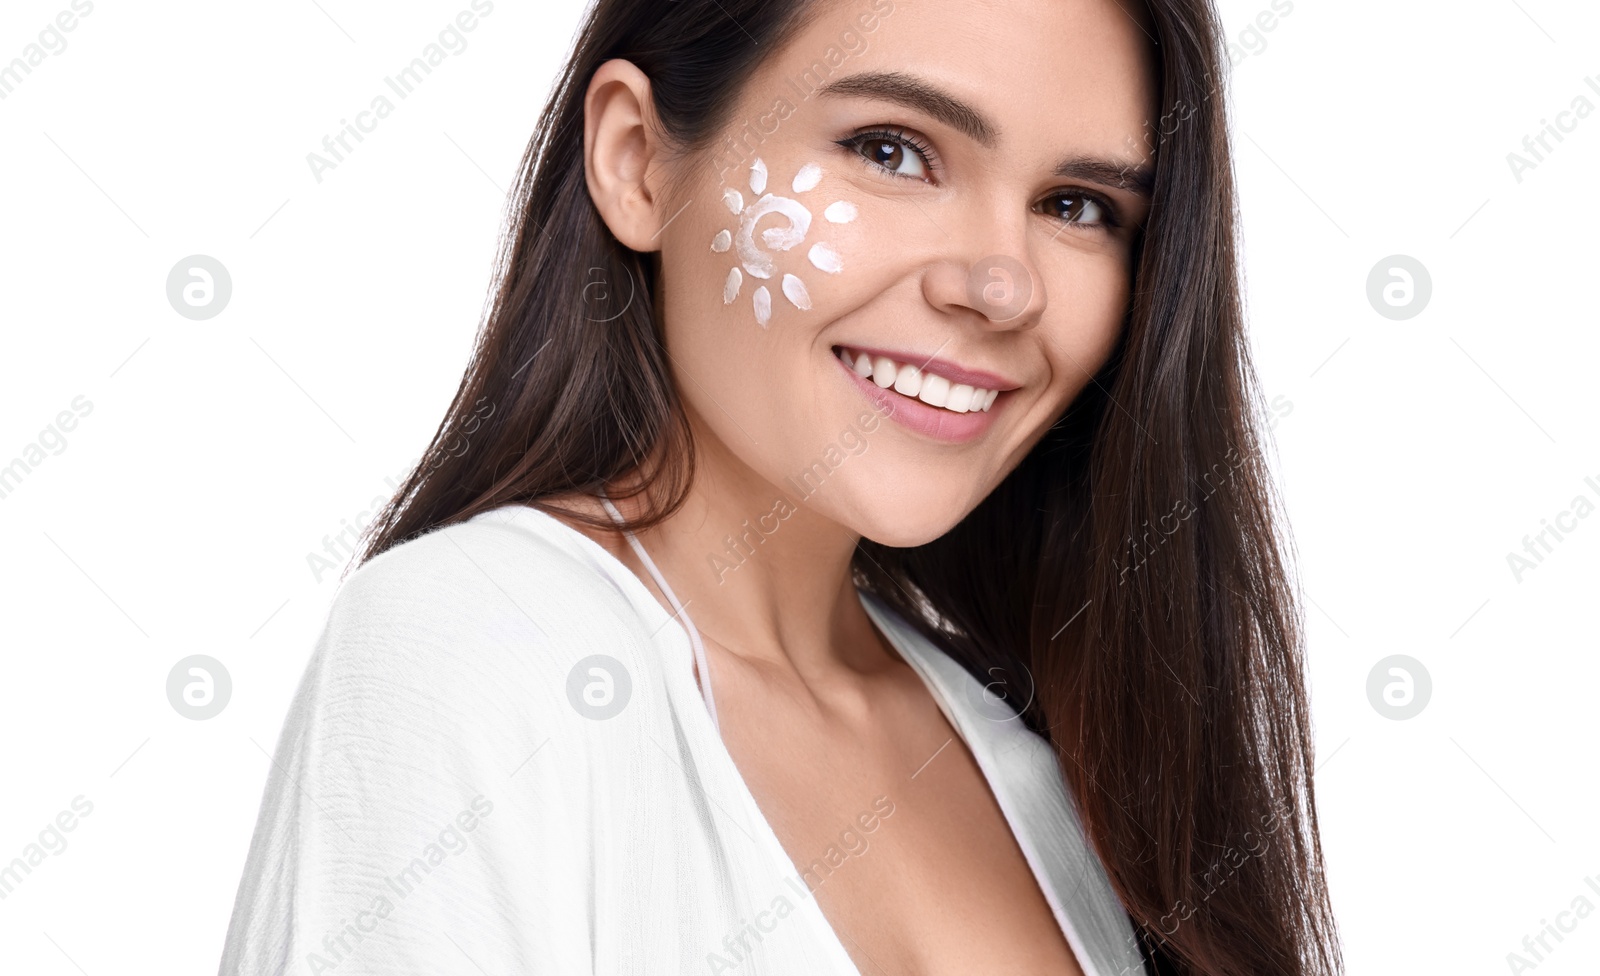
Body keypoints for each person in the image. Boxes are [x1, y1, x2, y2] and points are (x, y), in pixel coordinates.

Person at [218, 0, 1343, 973]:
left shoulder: (1037, 760)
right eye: (893, 151)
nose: (1001, 284)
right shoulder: (481, 645)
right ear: (636, 160)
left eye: (1077, 206)